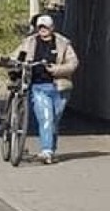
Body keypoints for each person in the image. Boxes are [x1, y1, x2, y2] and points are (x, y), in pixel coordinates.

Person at [10, 14, 79, 164]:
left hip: (60, 88)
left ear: (52, 28)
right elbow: (16, 56)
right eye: (40, 27)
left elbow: (73, 63)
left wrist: (58, 69)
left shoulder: (63, 43)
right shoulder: (30, 42)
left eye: (46, 27)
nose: (43, 30)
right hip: (38, 87)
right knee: (46, 118)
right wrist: (10, 61)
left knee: (54, 120)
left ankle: (51, 151)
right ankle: (46, 150)